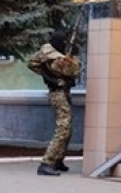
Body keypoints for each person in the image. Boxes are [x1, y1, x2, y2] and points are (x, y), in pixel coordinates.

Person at [28, 30, 82, 176]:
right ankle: (47, 163)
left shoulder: (45, 53)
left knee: (67, 129)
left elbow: (32, 63)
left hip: (59, 93)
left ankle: (58, 160)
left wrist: (46, 75)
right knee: (63, 129)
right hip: (59, 94)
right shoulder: (58, 59)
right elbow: (75, 72)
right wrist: (74, 57)